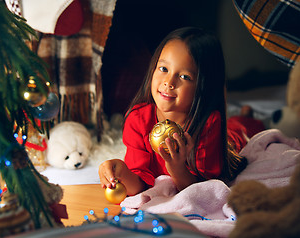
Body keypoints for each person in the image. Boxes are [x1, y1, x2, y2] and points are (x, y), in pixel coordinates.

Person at [99, 27, 257, 196]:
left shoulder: (209, 123)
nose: (169, 82)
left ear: (204, 87)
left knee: (240, 131)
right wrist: (121, 172)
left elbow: (204, 190)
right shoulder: (138, 119)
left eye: (184, 77)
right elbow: (138, 186)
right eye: (164, 69)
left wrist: (177, 169)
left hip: (231, 138)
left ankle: (246, 116)